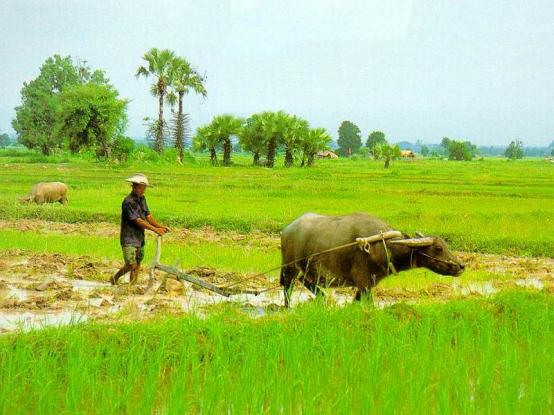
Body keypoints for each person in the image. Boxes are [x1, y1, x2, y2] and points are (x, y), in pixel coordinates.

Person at [110, 173, 170, 285]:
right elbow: (138, 220)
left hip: (139, 237)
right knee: (130, 264)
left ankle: (132, 286)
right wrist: (155, 230)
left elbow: (148, 216)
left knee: (137, 263)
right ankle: (115, 278)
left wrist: (159, 226)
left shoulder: (142, 199)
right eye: (140, 188)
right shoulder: (128, 202)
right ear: (134, 187)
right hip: (128, 237)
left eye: (144, 188)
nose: (142, 190)